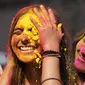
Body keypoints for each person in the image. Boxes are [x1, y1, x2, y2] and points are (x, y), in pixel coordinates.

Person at [0, 4, 75, 85]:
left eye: (34, 31)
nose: (24, 38)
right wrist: (11, 63)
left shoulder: (76, 81)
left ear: (55, 37)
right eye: (18, 32)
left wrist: (50, 49)